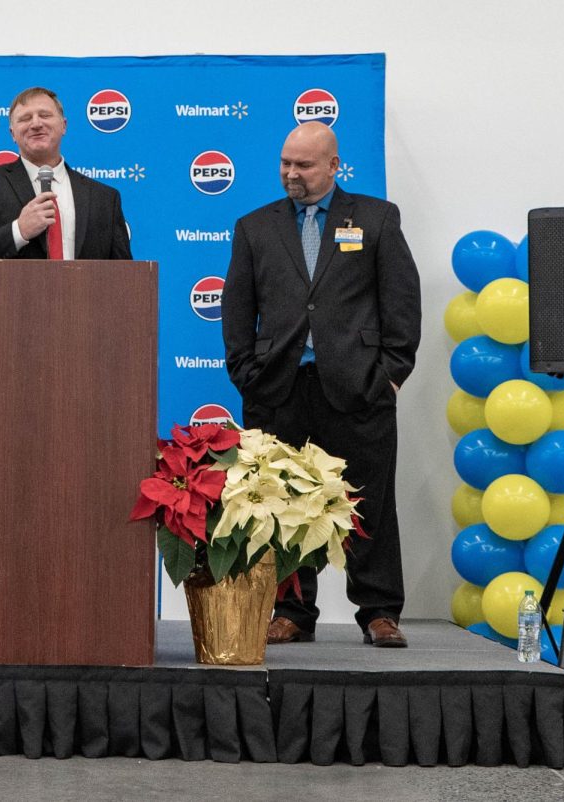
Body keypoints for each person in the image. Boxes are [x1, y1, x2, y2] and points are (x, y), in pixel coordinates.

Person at [220, 122, 421, 648]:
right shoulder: (254, 226)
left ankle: (379, 611)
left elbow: (402, 302)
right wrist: (247, 376)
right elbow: (237, 310)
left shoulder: (376, 218)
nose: (292, 173)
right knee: (281, 504)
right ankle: (291, 610)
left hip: (358, 389)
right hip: (280, 390)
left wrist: (391, 376)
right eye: (286, 163)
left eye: (304, 165)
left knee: (368, 503)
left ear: (334, 166)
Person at [0, 87, 131, 260]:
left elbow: (125, 275)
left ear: (64, 125)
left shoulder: (105, 198)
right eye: (25, 118)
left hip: (83, 297)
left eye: (45, 115)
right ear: (12, 134)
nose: (36, 124)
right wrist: (19, 231)